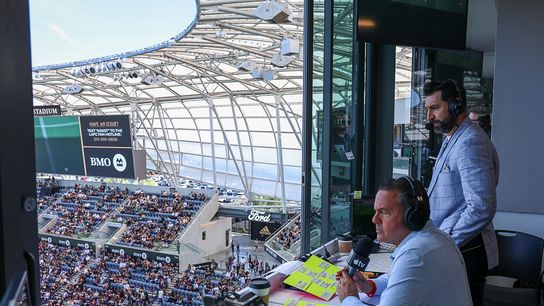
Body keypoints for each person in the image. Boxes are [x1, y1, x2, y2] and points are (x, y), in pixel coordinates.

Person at [336, 177, 472, 306]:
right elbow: (396, 281)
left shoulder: (415, 255)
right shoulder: (437, 238)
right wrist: (369, 286)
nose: (374, 219)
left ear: (411, 216)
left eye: (384, 212)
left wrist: (348, 298)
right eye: (376, 211)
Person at [424, 80, 499, 306]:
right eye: (427, 109)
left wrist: (445, 242)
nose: (429, 116)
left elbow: (481, 207)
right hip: (457, 248)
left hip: (466, 250)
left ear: (456, 106)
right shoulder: (453, 137)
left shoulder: (469, 142)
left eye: (435, 108)